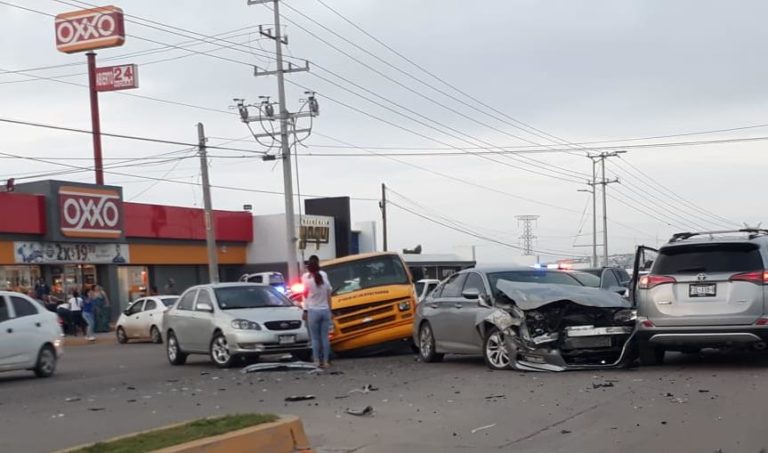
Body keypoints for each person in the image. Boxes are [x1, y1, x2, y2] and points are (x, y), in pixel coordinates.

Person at [301, 255, 333, 368]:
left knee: (314, 338)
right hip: (325, 310)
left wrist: (305, 310)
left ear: (309, 267)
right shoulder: (324, 276)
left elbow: (304, 295)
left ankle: (316, 360)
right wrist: (330, 310)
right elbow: (329, 294)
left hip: (313, 311)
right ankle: (325, 361)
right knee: (325, 337)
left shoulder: (306, 278)